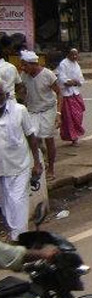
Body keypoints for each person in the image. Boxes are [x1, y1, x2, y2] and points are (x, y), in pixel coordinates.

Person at [0, 83, 43, 240]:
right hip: (1, 170)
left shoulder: (19, 111)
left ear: (5, 95)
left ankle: (20, 239)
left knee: (18, 203)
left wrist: (37, 163)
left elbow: (31, 137)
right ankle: (14, 236)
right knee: (6, 207)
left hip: (19, 167)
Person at [20, 51, 61, 181]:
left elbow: (59, 93)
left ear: (33, 64)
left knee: (49, 139)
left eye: (25, 65)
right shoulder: (24, 75)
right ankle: (39, 162)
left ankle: (51, 168)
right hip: (32, 110)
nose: (23, 68)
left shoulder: (48, 74)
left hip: (48, 109)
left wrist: (58, 114)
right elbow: (22, 92)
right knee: (32, 137)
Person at [55, 48, 85, 146]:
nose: (75, 57)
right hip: (66, 94)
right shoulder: (63, 64)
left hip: (75, 93)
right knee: (69, 118)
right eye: (73, 55)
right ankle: (73, 138)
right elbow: (62, 79)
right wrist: (70, 82)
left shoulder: (76, 65)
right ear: (68, 54)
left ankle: (76, 134)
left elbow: (80, 79)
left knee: (78, 115)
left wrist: (76, 82)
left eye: (76, 54)